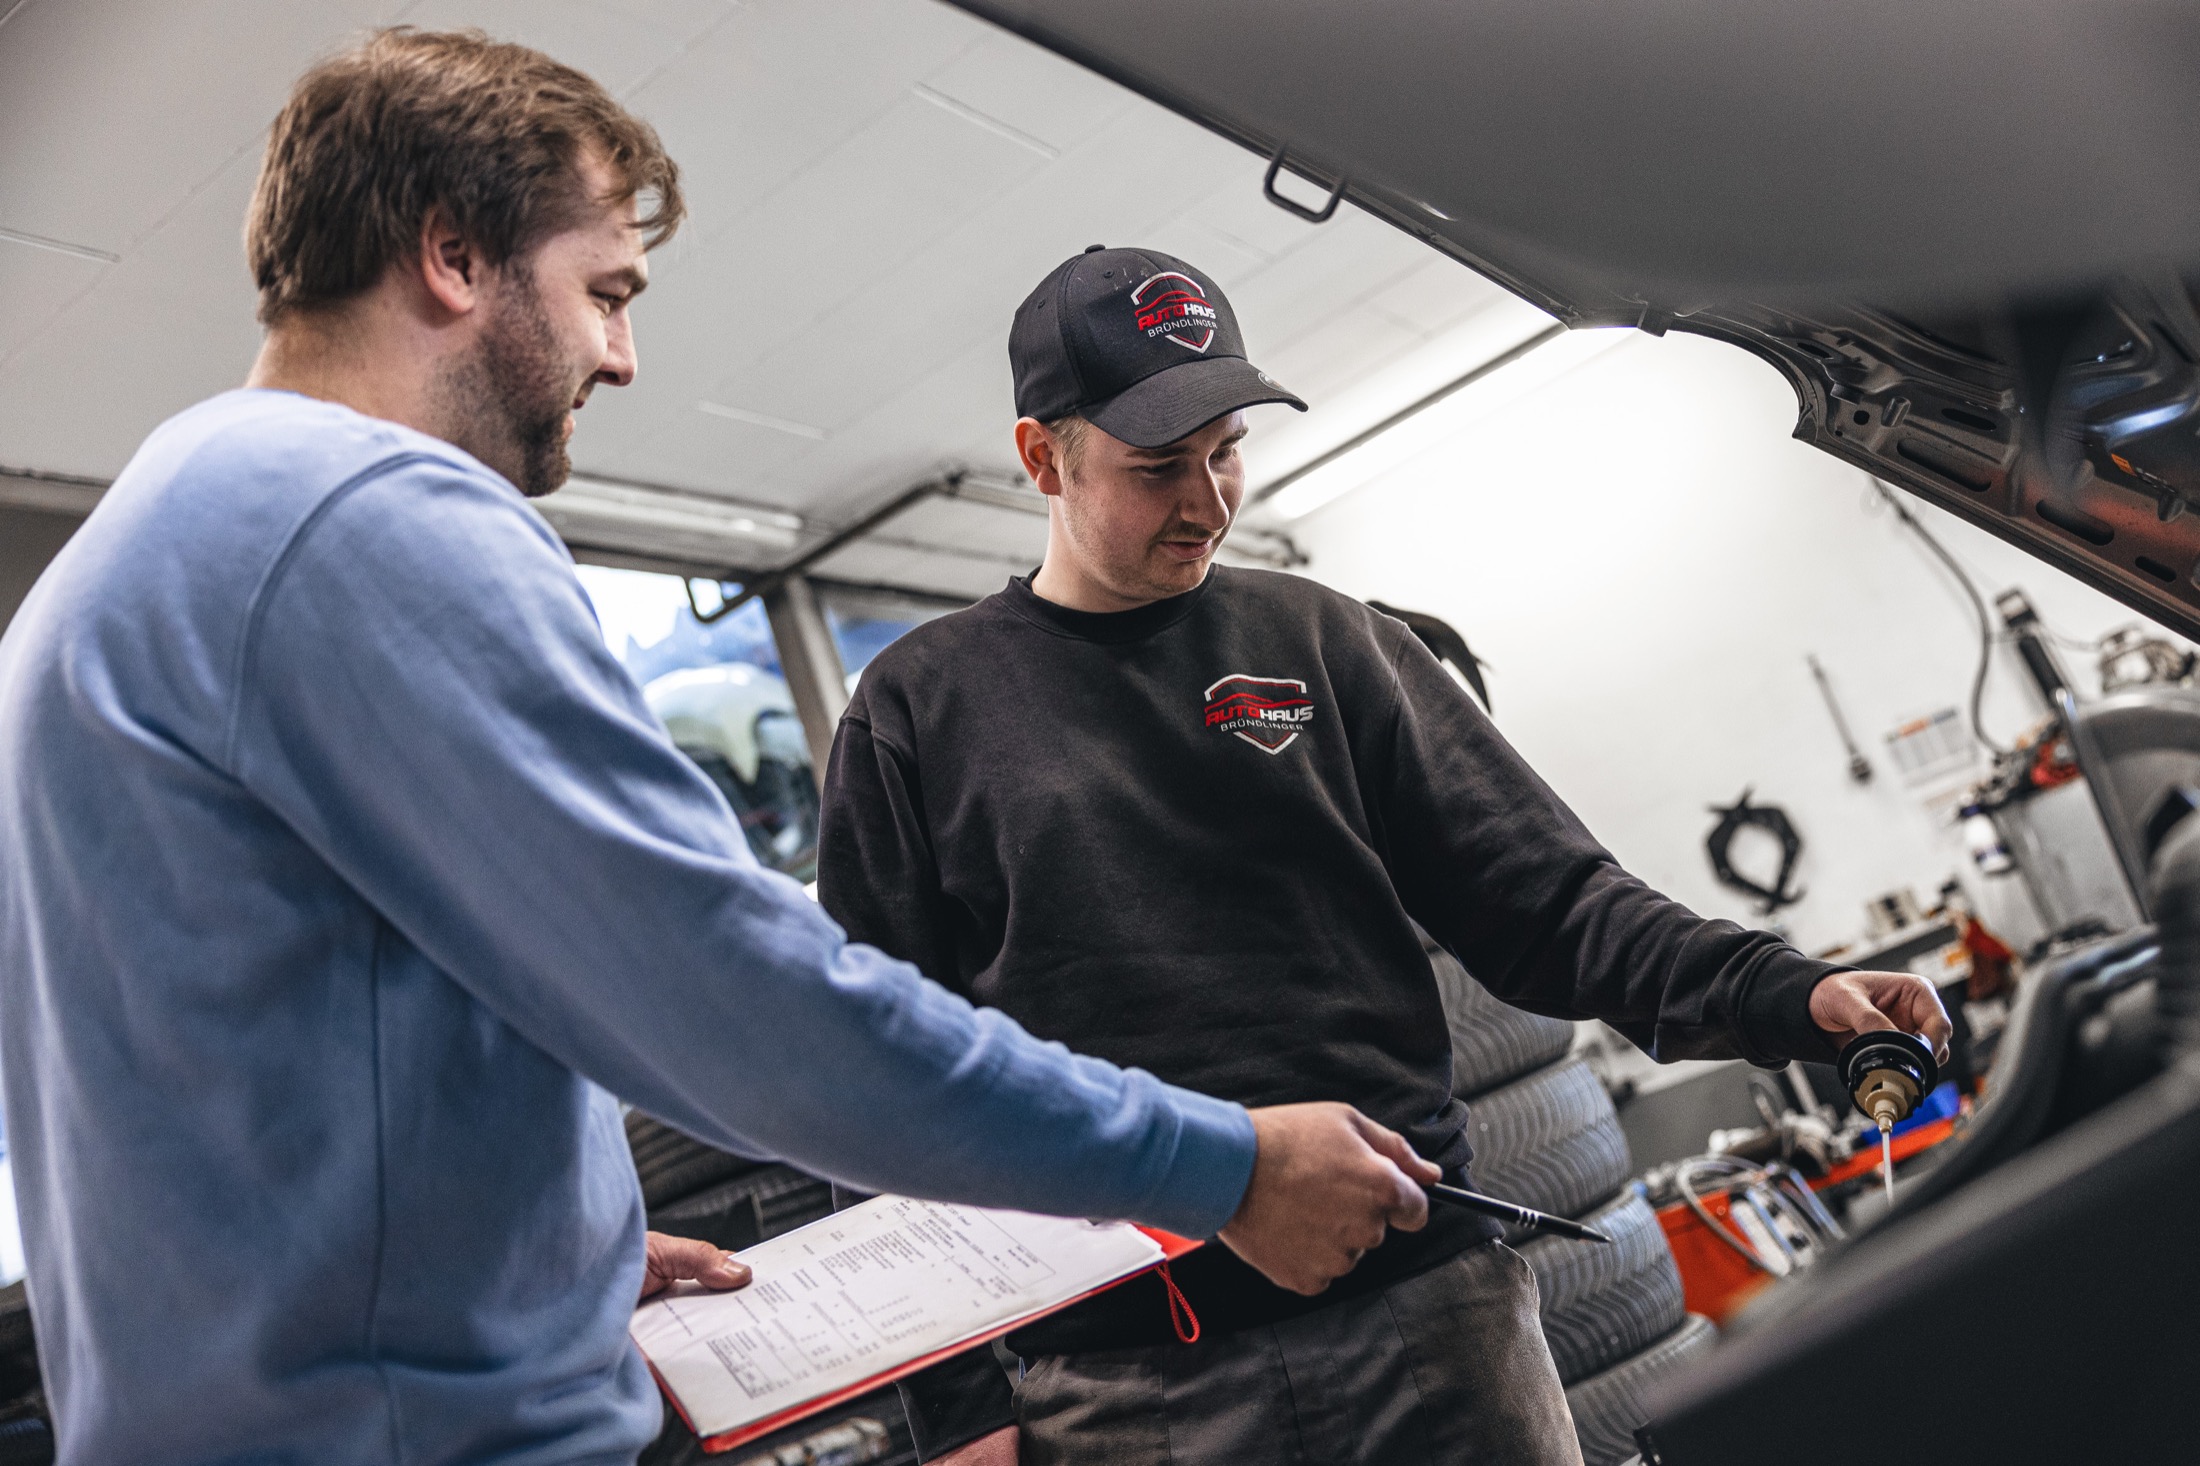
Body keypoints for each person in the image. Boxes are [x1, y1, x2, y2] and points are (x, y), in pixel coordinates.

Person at [0, 37, 1441, 1466]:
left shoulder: (126, 566)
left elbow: (225, 1086)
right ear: (451, 255)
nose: (621, 356)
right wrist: (1216, 1163)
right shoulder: (365, 519)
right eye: (604, 292)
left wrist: (548, 1264)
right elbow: (740, 1000)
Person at [816, 245, 1955, 1466]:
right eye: (1157, 468)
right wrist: (956, 1414)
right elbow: (869, 1074)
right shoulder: (918, 710)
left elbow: (1553, 903)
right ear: (1043, 456)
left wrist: (1785, 991)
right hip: (1127, 1384)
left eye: (1226, 451)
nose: (1207, 501)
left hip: (1432, 1325)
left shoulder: (1323, 643)